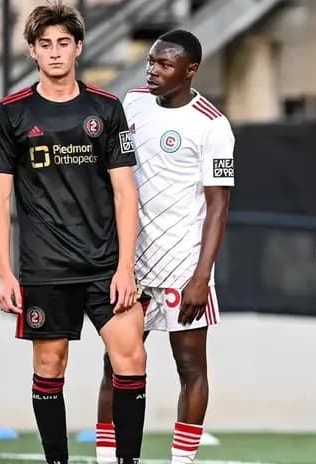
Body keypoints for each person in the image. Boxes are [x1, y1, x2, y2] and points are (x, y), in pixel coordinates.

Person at [0, 3, 147, 463]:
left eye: (63, 43)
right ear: (33, 51)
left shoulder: (106, 109)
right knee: (50, 367)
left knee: (132, 361)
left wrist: (126, 266)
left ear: (79, 47)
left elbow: (125, 193)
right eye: (45, 45)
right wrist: (3, 272)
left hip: (105, 266)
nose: (55, 53)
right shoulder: (11, 114)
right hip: (46, 270)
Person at [93, 29, 234, 464]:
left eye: (165, 64)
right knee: (115, 365)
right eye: (152, 61)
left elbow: (218, 207)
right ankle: (106, 457)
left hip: (181, 269)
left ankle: (182, 461)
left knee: (190, 369)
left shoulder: (212, 124)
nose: (153, 69)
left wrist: (200, 277)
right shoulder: (131, 102)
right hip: (131, 266)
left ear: (190, 71)